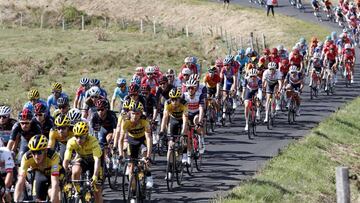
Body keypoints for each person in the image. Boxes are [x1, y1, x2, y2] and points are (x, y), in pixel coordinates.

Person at [63, 122, 103, 203]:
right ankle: (78, 192)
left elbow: (97, 160)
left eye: (81, 137)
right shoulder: (71, 141)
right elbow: (66, 159)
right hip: (83, 159)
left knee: (97, 191)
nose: (78, 139)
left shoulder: (93, 141)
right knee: (75, 171)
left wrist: (95, 176)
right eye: (76, 136)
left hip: (94, 162)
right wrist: (64, 173)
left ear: (86, 135)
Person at [14, 135, 60, 203]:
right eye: (33, 152)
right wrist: (16, 200)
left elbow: (55, 181)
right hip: (41, 174)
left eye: (39, 152)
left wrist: (53, 200)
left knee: (52, 192)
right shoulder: (26, 157)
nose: (36, 156)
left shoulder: (53, 157)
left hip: (56, 174)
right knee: (37, 199)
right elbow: (21, 180)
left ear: (45, 150)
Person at [119, 101, 153, 189]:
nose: (135, 116)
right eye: (133, 113)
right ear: (129, 112)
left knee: (145, 153)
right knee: (131, 168)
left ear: (141, 113)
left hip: (142, 140)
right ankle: (133, 194)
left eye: (137, 113)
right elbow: (121, 139)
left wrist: (149, 156)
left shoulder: (144, 121)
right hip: (132, 141)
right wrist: (120, 155)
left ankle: (148, 175)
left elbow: (149, 138)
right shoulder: (126, 121)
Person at [160, 87, 188, 179]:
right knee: (170, 146)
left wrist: (183, 133)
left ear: (179, 99)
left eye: (176, 99)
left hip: (181, 120)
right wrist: (161, 130)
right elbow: (165, 117)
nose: (174, 101)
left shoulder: (184, 103)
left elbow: (185, 119)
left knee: (184, 136)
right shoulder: (167, 103)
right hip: (173, 120)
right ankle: (169, 170)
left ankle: (184, 154)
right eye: (172, 99)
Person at [183, 77, 206, 155]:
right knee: (187, 135)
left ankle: (201, 139)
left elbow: (201, 108)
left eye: (192, 88)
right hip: (188, 114)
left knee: (196, 120)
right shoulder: (184, 96)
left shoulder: (199, 95)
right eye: (188, 88)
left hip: (197, 113)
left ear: (195, 88)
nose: (190, 90)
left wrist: (200, 121)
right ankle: (189, 154)